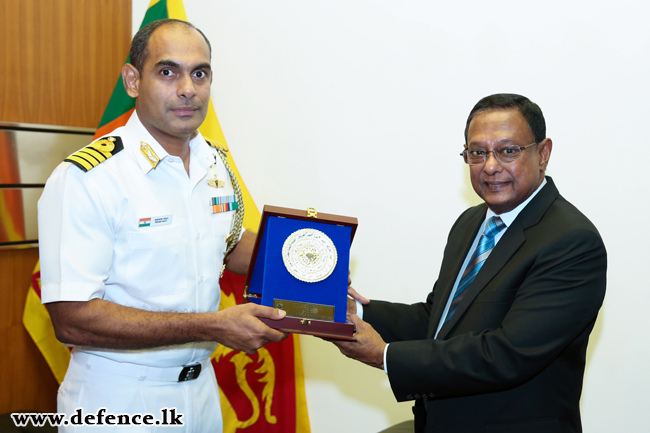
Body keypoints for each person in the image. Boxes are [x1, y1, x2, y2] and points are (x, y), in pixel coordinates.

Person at [38, 19, 288, 432]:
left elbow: (223, 243)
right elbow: (72, 317)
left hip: (202, 395)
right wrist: (212, 326)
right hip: (119, 399)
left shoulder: (213, 162)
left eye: (200, 73)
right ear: (133, 80)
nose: (188, 88)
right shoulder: (89, 178)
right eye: (168, 72)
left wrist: (307, 267)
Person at [337, 94, 607, 433]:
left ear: (543, 153)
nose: (490, 166)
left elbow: (507, 354)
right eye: (477, 153)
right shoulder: (471, 223)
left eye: (508, 150)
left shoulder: (571, 241)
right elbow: (437, 322)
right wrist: (354, 313)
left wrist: (384, 356)